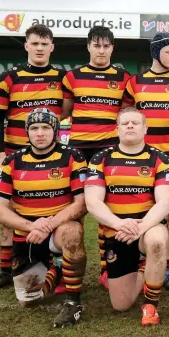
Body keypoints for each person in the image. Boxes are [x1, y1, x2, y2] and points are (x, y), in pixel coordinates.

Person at [0, 24, 67, 292]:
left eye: (45, 44)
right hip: (14, 157)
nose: (40, 48)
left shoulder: (63, 77)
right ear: (27, 46)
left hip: (52, 157)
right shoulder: (8, 77)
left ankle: (59, 264)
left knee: (57, 207)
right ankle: (5, 270)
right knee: (7, 212)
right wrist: (0, 154)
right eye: (35, 43)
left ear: (52, 47)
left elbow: (68, 112)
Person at [0, 107, 87, 328]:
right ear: (27, 132)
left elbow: (82, 203)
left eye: (45, 127)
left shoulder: (72, 156)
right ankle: (58, 270)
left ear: (55, 131)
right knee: (29, 301)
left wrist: (49, 224)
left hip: (58, 230)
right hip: (29, 234)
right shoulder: (12, 161)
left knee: (73, 232)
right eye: (34, 128)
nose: (40, 133)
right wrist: (32, 225)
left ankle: (74, 302)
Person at [121, 32, 169, 291]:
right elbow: (127, 115)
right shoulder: (135, 82)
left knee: (168, 214)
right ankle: (138, 262)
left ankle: (166, 269)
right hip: (138, 157)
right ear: (156, 53)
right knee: (135, 207)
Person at [84, 107, 169, 326]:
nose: (130, 126)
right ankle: (144, 268)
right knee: (121, 305)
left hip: (148, 226)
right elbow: (92, 201)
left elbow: (165, 203)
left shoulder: (160, 159)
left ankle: (151, 305)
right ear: (117, 129)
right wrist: (119, 224)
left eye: (135, 123)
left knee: (156, 242)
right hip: (117, 231)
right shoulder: (101, 159)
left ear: (145, 128)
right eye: (125, 124)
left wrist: (140, 227)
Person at [61, 26, 131, 290]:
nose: (101, 50)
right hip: (78, 150)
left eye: (106, 46)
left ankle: (106, 267)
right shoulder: (72, 77)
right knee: (74, 211)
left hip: (109, 150)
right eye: (96, 45)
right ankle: (65, 266)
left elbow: (126, 114)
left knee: (107, 210)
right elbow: (65, 112)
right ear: (88, 46)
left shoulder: (123, 77)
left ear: (112, 48)